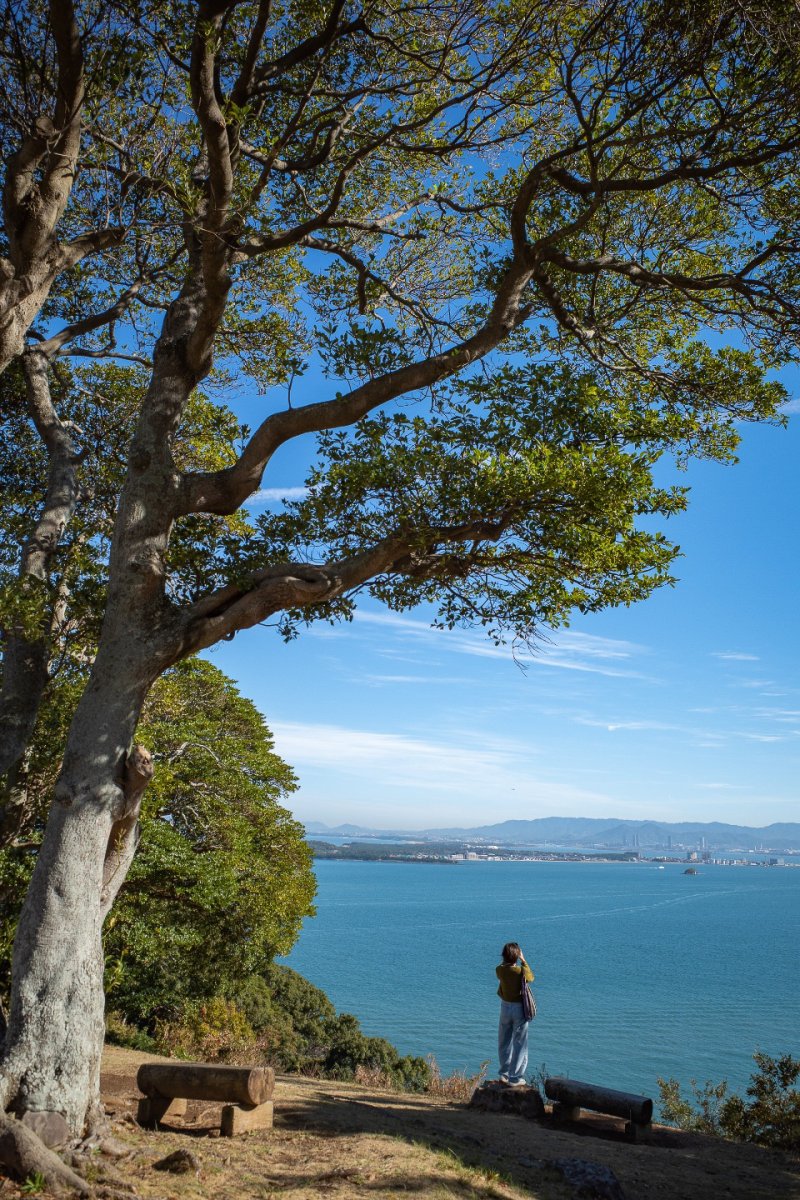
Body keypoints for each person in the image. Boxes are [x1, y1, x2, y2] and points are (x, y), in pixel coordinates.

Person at [495, 941, 534, 1086]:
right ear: (517, 956)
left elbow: (502, 968)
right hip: (519, 1008)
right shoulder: (520, 971)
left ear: (504, 955)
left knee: (504, 1040)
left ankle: (504, 1074)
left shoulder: (499, 970)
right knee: (520, 1042)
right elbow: (530, 978)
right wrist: (523, 960)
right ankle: (515, 1077)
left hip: (505, 1007)